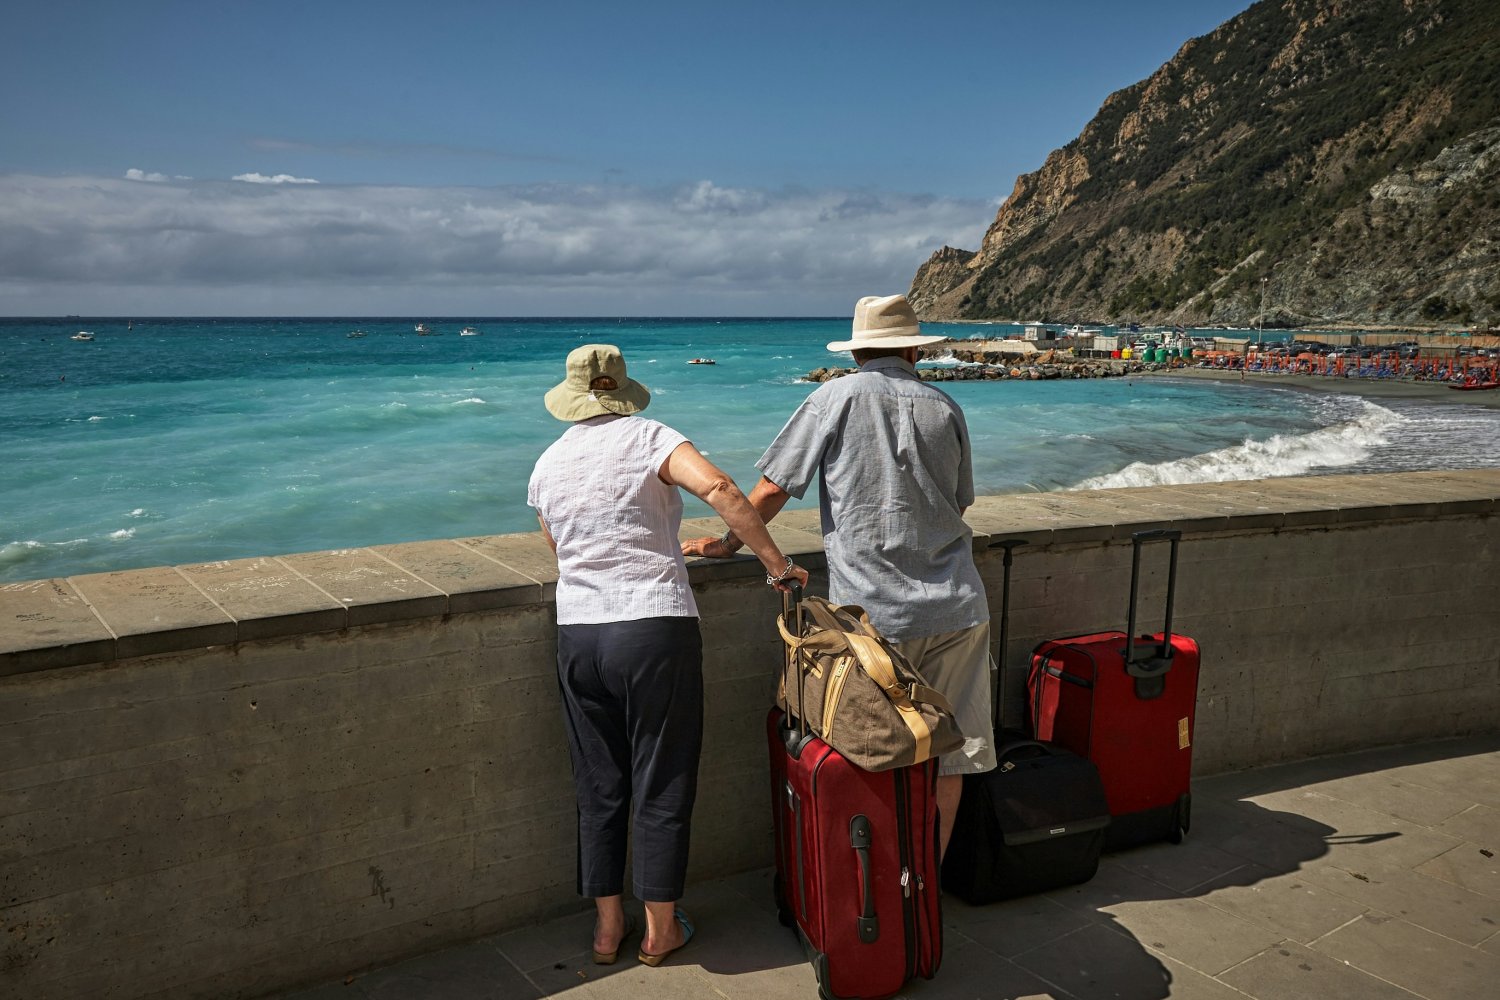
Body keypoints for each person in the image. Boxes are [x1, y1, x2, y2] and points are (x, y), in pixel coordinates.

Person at [682, 294, 995, 858]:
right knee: (953, 756)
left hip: (875, 618)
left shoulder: (832, 398)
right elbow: (961, 503)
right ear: (914, 351)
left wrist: (726, 544)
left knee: (875, 752)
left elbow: (772, 489)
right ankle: (928, 885)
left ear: (856, 353)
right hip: (958, 606)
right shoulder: (945, 406)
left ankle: (881, 889)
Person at [529, 344, 808, 968]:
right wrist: (776, 565)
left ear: (570, 398)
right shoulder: (651, 437)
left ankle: (607, 928)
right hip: (652, 627)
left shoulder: (547, 464)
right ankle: (659, 929)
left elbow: (561, 550)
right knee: (662, 777)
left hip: (579, 634)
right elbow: (721, 488)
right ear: (623, 390)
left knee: (598, 782)